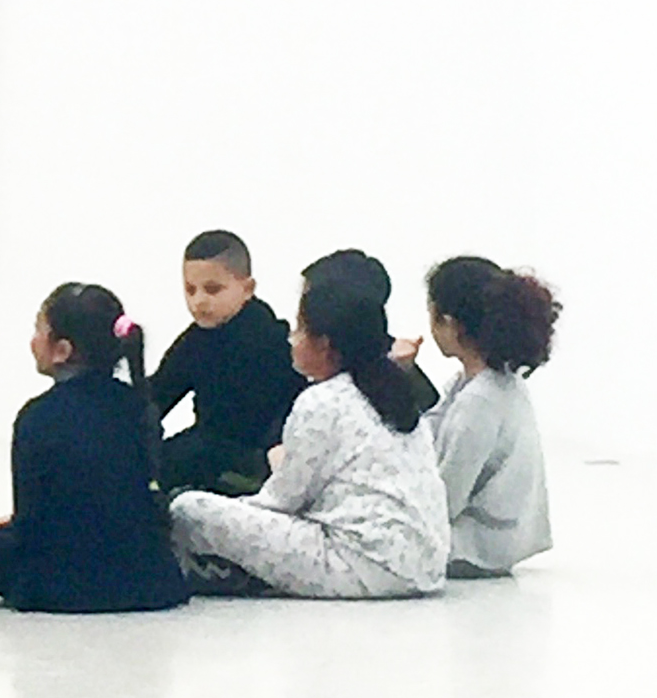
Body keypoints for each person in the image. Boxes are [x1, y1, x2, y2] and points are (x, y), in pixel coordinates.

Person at [0, 284, 189, 614]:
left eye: (38, 330)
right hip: (152, 584)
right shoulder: (139, 406)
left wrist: (8, 530)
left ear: (62, 350)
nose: (33, 340)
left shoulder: (38, 416)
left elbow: (31, 529)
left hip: (59, 588)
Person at [171, 250, 450, 598]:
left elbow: (282, 501)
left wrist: (232, 509)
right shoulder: (397, 390)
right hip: (426, 567)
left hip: (360, 563)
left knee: (187, 508)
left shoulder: (321, 400)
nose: (292, 339)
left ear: (324, 344)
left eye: (300, 330)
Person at [423, 256, 561, 577]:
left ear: (449, 323)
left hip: (476, 547)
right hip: (497, 538)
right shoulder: (489, 382)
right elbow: (428, 426)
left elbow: (445, 501)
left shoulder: (479, 401)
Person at [150, 230, 307, 496]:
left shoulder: (271, 340)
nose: (199, 301)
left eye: (212, 289)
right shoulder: (197, 339)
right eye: (190, 290)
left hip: (256, 461)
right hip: (208, 450)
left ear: (247, 289)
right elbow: (158, 393)